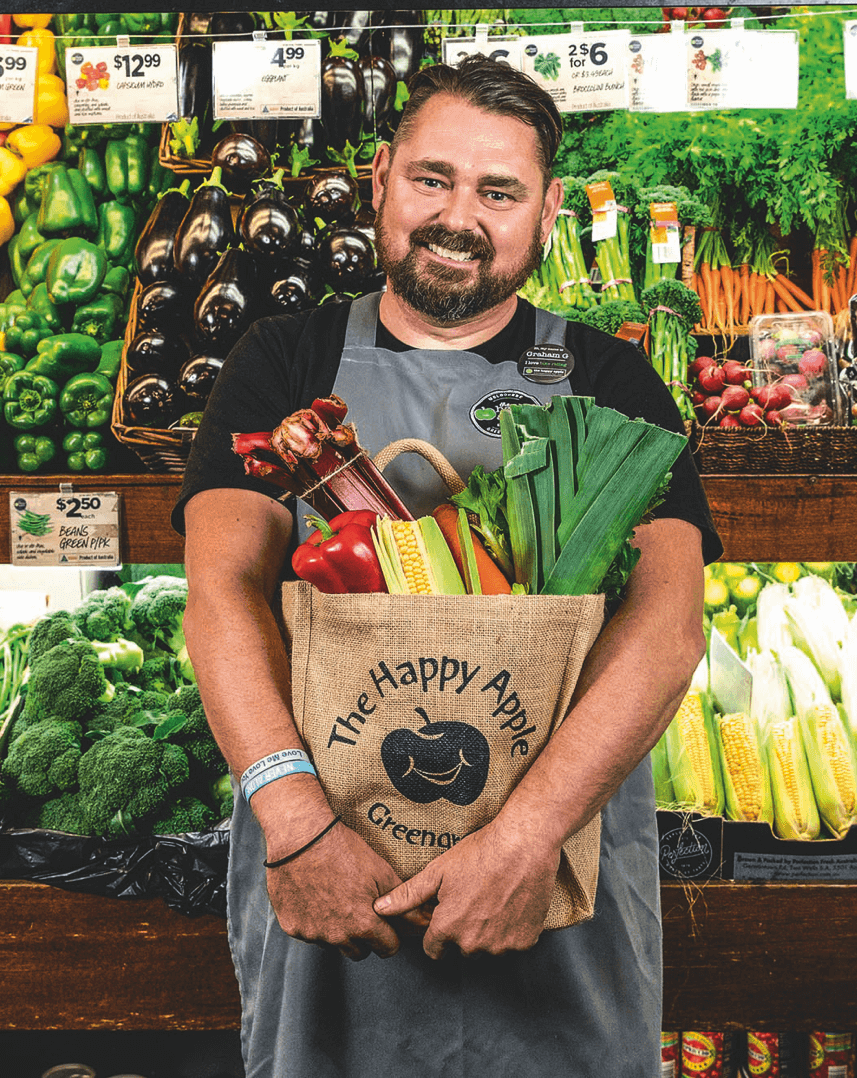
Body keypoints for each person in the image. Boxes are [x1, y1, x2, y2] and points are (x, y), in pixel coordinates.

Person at [177, 56, 720, 1078]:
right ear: (381, 178)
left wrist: (527, 840)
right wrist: (296, 825)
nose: (458, 217)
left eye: (497, 191)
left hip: (555, 876)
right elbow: (221, 598)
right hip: (336, 864)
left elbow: (667, 630)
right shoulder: (282, 359)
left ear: (546, 213)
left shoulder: (612, 381)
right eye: (432, 178)